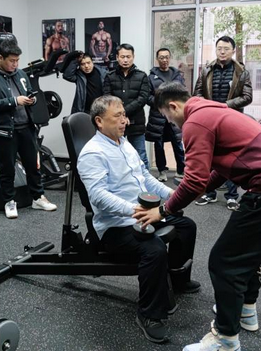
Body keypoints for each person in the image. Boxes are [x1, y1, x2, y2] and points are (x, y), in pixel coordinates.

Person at [133, 82, 261, 351]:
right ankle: (245, 310)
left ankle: (225, 338)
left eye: (167, 117)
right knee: (250, 252)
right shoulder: (212, 110)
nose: (171, 124)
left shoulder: (195, 122)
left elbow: (193, 181)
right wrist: (201, 188)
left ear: (173, 106)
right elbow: (221, 169)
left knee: (224, 261)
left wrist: (164, 210)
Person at [78, 95, 199, 344]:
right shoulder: (92, 153)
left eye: (124, 115)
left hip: (142, 214)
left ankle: (176, 280)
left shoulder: (124, 143)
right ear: (99, 121)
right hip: (116, 226)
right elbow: (98, 196)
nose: (125, 120)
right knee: (154, 250)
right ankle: (149, 315)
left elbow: (145, 176)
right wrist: (135, 210)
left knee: (186, 227)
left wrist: (172, 195)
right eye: (118, 116)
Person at [0, 39, 57, 218]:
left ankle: (38, 198)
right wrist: (14, 101)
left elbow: (28, 92)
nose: (15, 64)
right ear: (1, 58)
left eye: (17, 60)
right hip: (6, 129)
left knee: (33, 166)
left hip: (27, 127)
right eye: (12, 61)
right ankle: (9, 201)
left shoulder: (21, 73)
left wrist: (31, 99)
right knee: (7, 168)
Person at [194, 35, 252, 208]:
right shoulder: (206, 70)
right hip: (210, 119)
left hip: (231, 119)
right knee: (210, 157)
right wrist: (207, 105)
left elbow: (247, 97)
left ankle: (232, 196)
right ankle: (209, 193)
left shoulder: (242, 71)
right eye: (219, 48)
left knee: (231, 158)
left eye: (226, 49)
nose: (222, 52)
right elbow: (197, 93)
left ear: (233, 51)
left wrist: (225, 105)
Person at [103, 43, 150, 169]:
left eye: (128, 57)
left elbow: (142, 99)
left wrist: (124, 113)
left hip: (136, 123)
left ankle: (144, 181)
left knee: (140, 156)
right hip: (115, 123)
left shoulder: (142, 76)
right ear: (117, 57)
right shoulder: (110, 76)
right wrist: (121, 116)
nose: (125, 60)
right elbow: (107, 98)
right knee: (115, 156)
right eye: (122, 57)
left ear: (133, 57)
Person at [145, 48, 185, 182]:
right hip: (158, 116)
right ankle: (162, 171)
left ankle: (181, 170)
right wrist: (161, 104)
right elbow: (147, 97)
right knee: (159, 144)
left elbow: (183, 93)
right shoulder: (151, 77)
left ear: (170, 58)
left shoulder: (177, 75)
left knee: (177, 143)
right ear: (157, 59)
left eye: (167, 57)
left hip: (174, 115)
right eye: (161, 57)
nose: (164, 60)